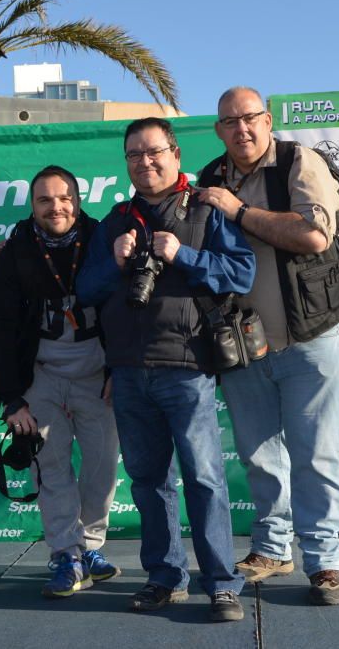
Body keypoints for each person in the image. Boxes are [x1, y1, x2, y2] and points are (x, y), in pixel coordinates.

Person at [78, 118, 255, 623]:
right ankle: (164, 576)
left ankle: (221, 584)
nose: (144, 162)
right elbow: (86, 291)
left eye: (153, 151)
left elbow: (242, 273)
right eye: (134, 154)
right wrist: (113, 262)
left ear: (175, 154)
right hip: (130, 371)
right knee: (148, 481)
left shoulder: (205, 208)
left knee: (203, 478)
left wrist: (185, 255)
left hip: (188, 368)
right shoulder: (115, 220)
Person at [195, 86, 339, 606]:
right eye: (230, 122)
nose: (242, 129)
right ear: (218, 130)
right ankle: (272, 548)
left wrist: (238, 213)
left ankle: (324, 561)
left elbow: (312, 236)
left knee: (316, 454)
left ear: (268, 119)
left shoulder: (300, 163)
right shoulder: (210, 178)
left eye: (251, 118)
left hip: (308, 337)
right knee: (259, 456)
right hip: (241, 346)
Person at [0, 165, 121, 599]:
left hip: (97, 375)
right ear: (32, 205)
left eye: (63, 198)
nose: (55, 207)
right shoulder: (16, 249)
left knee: (102, 468)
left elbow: (126, 309)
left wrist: (119, 370)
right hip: (40, 375)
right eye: (45, 200)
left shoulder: (102, 238)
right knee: (52, 467)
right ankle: (66, 552)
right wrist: (12, 397)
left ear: (78, 200)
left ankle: (91, 547)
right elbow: (0, 327)